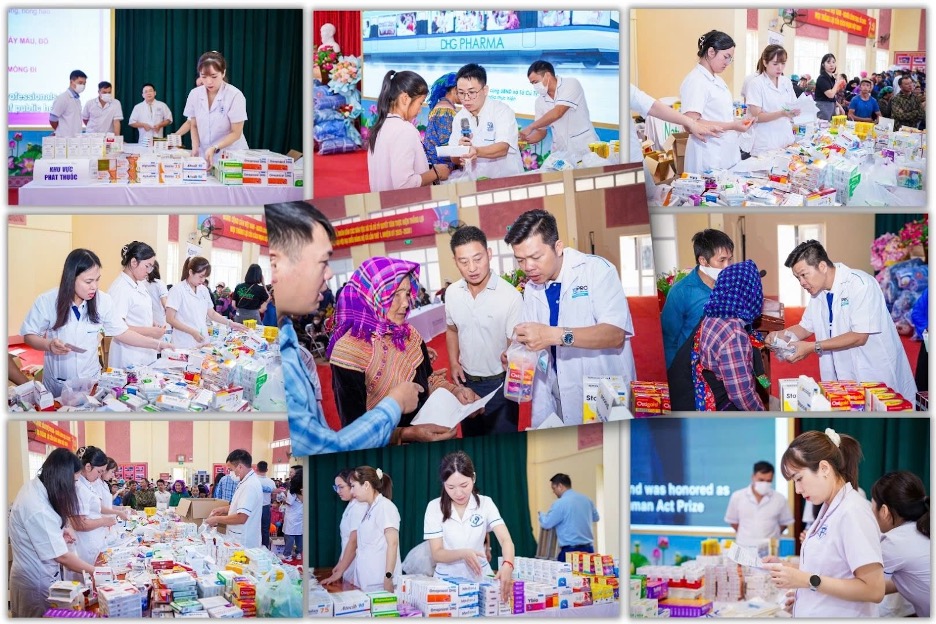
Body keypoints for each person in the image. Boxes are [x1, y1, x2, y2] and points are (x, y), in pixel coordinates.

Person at [265, 201, 421, 455]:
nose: (329, 275)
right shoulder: (342, 350)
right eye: (322, 262)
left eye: (407, 294)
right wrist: (397, 405)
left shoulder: (291, 348)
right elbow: (330, 444)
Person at [506, 209, 635, 427]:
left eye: (536, 257)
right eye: (520, 260)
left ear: (558, 247)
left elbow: (614, 335)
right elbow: (534, 340)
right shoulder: (531, 288)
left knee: (608, 444)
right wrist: (518, 352)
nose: (528, 267)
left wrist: (552, 335)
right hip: (558, 388)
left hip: (603, 387)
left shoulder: (596, 270)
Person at [329, 257, 478, 445]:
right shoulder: (349, 353)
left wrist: (456, 392)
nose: (406, 303)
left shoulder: (410, 334)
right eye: (395, 295)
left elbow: (428, 380)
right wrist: (406, 434)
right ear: (371, 296)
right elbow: (355, 430)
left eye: (407, 294)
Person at [766, 240, 917, 403]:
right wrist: (780, 336)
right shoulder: (817, 293)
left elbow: (859, 336)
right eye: (798, 278)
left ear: (822, 266)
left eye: (804, 275)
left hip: (873, 371)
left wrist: (812, 347)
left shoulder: (860, 284)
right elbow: (805, 327)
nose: (801, 283)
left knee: (877, 406)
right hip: (842, 374)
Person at [766, 428, 884, 617]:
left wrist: (806, 581)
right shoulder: (829, 509)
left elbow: (874, 590)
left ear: (824, 468)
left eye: (799, 479)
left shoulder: (853, 511)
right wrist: (790, 572)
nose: (797, 490)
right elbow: (832, 571)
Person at [21, 249, 167, 397]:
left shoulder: (103, 301)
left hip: (90, 379)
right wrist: (48, 345)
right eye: (88, 281)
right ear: (71, 278)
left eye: (97, 280)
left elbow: (122, 332)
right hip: (59, 383)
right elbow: (29, 335)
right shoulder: (47, 301)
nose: (94, 286)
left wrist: (158, 345)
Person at [446, 226, 522, 435]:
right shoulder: (452, 293)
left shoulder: (510, 297)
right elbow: (451, 330)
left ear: (489, 254)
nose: (472, 268)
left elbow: (515, 347)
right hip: (466, 385)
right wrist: (453, 362)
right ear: (455, 261)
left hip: (500, 386)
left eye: (477, 259)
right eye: (464, 262)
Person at [9, 448, 97, 617]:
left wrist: (59, 532)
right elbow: (62, 557)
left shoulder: (37, 487)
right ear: (62, 479)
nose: (75, 487)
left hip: (41, 572)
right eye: (74, 481)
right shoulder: (37, 507)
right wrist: (96, 571)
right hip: (36, 581)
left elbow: (39, 529)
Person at [669, 260, 767, 412]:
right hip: (721, 406)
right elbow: (742, 396)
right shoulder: (733, 334)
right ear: (750, 293)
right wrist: (763, 414)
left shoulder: (713, 314)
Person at [423, 452, 515, 599]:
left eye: (464, 485)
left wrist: (508, 564)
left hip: (481, 579)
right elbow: (437, 553)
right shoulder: (434, 507)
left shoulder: (486, 503)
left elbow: (505, 540)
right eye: (451, 487)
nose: (458, 493)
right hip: (447, 581)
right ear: (443, 484)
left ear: (473, 478)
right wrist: (463, 554)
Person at [680, 31, 754, 173]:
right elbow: (690, 123)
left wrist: (737, 122)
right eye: (726, 57)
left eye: (730, 59)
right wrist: (732, 125)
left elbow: (719, 115)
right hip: (708, 153)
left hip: (724, 152)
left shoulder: (717, 80)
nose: (728, 63)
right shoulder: (696, 81)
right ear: (711, 52)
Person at [660, 229, 735, 368]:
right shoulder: (681, 291)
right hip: (690, 368)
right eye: (722, 260)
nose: (727, 266)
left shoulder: (732, 286)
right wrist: (675, 374)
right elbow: (668, 340)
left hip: (726, 365)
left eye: (729, 259)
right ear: (703, 260)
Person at [368, 70, 449, 191]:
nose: (420, 110)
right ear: (405, 98)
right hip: (404, 201)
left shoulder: (381, 126)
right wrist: (436, 173)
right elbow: (404, 184)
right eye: (420, 103)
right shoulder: (404, 130)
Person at [331, 466, 402, 592]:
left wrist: (388, 578)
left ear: (366, 485)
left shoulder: (385, 507)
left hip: (380, 583)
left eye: (353, 486)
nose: (352, 491)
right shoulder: (369, 508)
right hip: (366, 581)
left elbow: (393, 544)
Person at [448, 63, 524, 179]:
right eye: (461, 93)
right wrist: (460, 152)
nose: (466, 98)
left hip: (505, 179)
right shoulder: (459, 117)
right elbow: (454, 158)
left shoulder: (501, 111)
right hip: (475, 181)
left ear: (485, 90)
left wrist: (476, 151)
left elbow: (503, 148)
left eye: (472, 92)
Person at [871, 471, 930, 617]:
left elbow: (868, 587)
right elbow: (908, 582)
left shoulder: (895, 542)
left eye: (872, 507)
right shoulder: (922, 528)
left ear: (884, 511)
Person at [628, 84, 727, 164]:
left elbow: (652, 106)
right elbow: (652, 107)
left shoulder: (626, 88)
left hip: (632, 163)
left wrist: (692, 124)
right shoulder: (694, 81)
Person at [166, 256, 247, 349]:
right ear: (191, 272)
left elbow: (211, 313)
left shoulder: (203, 290)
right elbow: (170, 319)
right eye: (201, 276)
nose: (203, 280)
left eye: (205, 277)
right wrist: (192, 332)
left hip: (203, 340)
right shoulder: (177, 290)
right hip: (184, 343)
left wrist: (230, 323)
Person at [183, 51, 249, 164]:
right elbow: (194, 125)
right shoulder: (194, 94)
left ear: (223, 73)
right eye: (203, 76)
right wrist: (195, 148)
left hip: (231, 154)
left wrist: (215, 147)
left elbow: (236, 133)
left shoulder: (234, 95)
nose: (209, 82)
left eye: (214, 76)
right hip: (206, 154)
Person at [107, 241, 165, 369]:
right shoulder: (121, 288)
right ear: (134, 262)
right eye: (147, 266)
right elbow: (118, 328)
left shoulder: (139, 284)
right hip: (128, 354)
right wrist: (151, 331)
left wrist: (151, 323)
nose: (149, 271)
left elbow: (137, 313)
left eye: (151, 267)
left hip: (144, 353)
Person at [520, 60, 599, 155]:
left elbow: (558, 112)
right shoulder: (539, 101)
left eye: (535, 82)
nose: (534, 86)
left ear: (547, 75)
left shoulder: (571, 84)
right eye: (532, 83)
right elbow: (541, 131)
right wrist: (524, 140)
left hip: (584, 145)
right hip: (560, 149)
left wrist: (530, 127)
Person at [68, 447, 117, 580]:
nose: (100, 475)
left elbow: (95, 509)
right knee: (86, 582)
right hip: (85, 546)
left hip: (94, 542)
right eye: (99, 471)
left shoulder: (88, 484)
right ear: (88, 467)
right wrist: (105, 521)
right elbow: (80, 524)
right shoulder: (79, 487)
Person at [725, 461, 794, 549]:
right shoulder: (737, 496)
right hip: (743, 547)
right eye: (761, 480)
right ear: (753, 477)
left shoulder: (780, 499)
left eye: (768, 481)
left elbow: (784, 523)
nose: (765, 484)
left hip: (769, 549)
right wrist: (748, 535)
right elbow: (733, 521)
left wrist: (773, 535)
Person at [745, 45, 800, 156]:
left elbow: (793, 105)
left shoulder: (786, 82)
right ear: (765, 63)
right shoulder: (756, 84)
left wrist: (796, 111)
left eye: (783, 63)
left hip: (785, 138)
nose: (780, 68)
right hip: (765, 143)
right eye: (775, 64)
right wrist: (782, 113)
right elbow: (757, 117)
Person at [205, 449, 263, 548]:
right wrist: (223, 509)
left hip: (244, 540)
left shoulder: (250, 485)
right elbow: (240, 506)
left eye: (231, 470)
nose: (230, 473)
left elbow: (241, 517)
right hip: (237, 536)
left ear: (240, 467)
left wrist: (216, 519)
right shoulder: (244, 482)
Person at [538, 474, 599, 561]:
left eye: (554, 488)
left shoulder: (560, 503)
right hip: (589, 550)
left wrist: (541, 515)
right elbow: (596, 518)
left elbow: (547, 524)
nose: (553, 492)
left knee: (566, 570)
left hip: (570, 552)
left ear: (560, 486)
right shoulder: (587, 499)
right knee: (587, 571)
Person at [323, 469, 368, 584]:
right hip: (348, 563)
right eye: (336, 487)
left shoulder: (359, 506)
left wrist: (340, 570)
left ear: (352, 485)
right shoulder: (351, 505)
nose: (338, 491)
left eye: (341, 487)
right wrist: (340, 564)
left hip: (356, 564)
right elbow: (346, 540)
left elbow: (354, 541)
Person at [423, 72, 461, 171]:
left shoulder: (443, 107)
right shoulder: (446, 111)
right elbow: (445, 143)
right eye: (462, 91)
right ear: (455, 89)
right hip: (441, 168)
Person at [50, 70, 87, 138]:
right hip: (64, 139)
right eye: (80, 83)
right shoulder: (63, 98)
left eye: (84, 84)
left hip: (75, 139)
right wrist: (61, 131)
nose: (82, 86)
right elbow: (53, 119)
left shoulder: (77, 99)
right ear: (71, 82)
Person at [279, 473, 303, 561]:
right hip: (300, 514)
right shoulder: (303, 490)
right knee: (299, 534)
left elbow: (289, 502)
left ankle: (287, 554)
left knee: (289, 535)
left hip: (292, 515)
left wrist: (283, 499)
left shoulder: (292, 491)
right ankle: (298, 553)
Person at [814, 54, 846, 121]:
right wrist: (837, 82)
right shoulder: (822, 78)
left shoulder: (831, 78)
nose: (831, 65)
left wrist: (839, 106)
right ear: (823, 64)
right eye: (828, 62)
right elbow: (830, 95)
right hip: (823, 107)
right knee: (824, 126)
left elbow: (833, 97)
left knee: (831, 126)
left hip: (831, 106)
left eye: (833, 62)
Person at [256, 461, 277, 549]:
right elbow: (274, 495)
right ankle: (265, 548)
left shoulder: (254, 480)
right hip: (266, 507)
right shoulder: (271, 482)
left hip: (255, 507)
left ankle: (254, 547)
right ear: (267, 470)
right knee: (265, 529)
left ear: (256, 469)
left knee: (254, 527)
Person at [146, 260, 169, 329]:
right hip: (159, 320)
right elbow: (165, 304)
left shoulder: (142, 283)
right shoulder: (159, 283)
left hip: (147, 320)